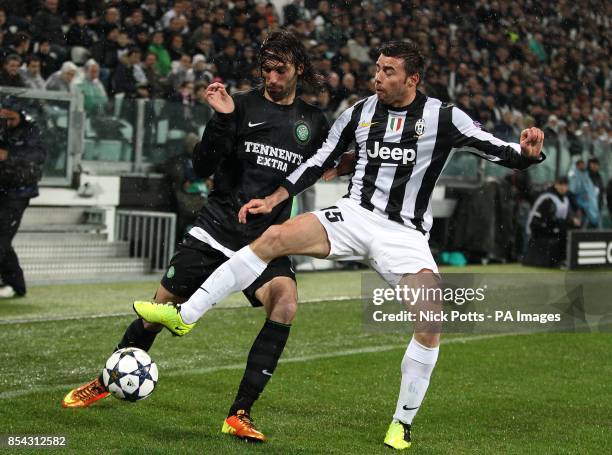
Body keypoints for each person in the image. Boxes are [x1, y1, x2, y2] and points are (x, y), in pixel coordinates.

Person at [135, 41, 545, 450]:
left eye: (388, 72)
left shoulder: (443, 117)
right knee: (274, 237)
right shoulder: (359, 113)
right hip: (353, 216)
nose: (377, 78)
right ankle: (185, 315)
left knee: (431, 317)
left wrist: (525, 155)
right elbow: (318, 160)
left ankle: (402, 424)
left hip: (404, 234)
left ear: (412, 79)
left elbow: (493, 147)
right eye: (378, 69)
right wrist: (277, 198)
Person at [62, 30, 330, 443]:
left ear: (298, 69)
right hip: (217, 228)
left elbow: (317, 168)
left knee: (286, 303)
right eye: (267, 69)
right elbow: (202, 166)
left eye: (281, 70)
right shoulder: (239, 104)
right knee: (159, 308)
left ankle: (239, 413)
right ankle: (106, 378)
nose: (272, 77)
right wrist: (222, 120)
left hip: (266, 241)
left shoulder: (313, 122)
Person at [0, 98, 46, 299]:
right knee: (2, 238)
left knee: (2, 237)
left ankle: (14, 283)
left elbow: (34, 159)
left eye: (11, 118)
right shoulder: (6, 131)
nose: (7, 123)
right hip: (5, 189)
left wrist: (8, 157)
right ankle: (14, 282)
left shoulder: (31, 133)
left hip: (19, 192)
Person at [523, 176, 579, 267]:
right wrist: (568, 222)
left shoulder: (565, 199)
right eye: (560, 184)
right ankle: (560, 260)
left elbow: (563, 218)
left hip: (551, 227)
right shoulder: (547, 198)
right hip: (537, 229)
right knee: (563, 232)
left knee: (572, 229)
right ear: (555, 185)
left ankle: (568, 259)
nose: (563, 187)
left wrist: (572, 220)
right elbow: (548, 221)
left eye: (565, 185)